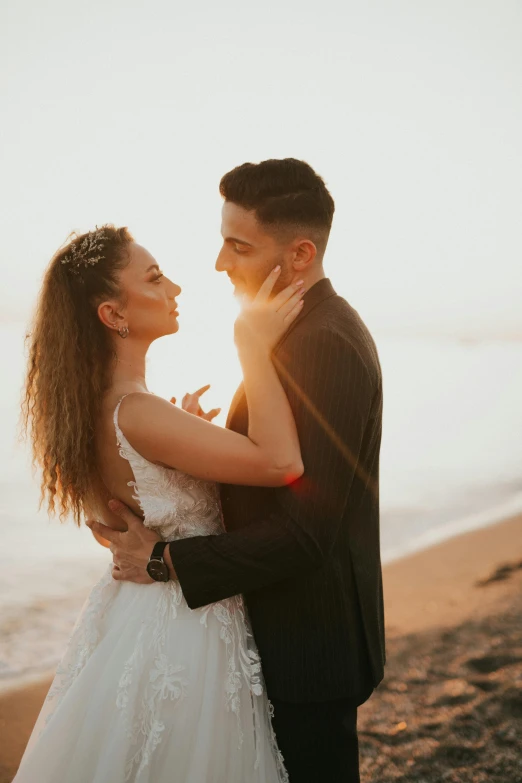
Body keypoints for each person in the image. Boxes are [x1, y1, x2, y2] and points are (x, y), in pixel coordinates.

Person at [91, 158, 386, 783]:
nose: (220, 264)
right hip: (277, 640)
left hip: (306, 648)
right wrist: (197, 443)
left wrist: (163, 562)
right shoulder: (287, 330)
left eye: (238, 245)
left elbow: (306, 530)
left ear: (300, 253)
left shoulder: (321, 343)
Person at [16, 223, 306, 782]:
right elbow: (279, 463)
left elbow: (129, 507)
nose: (175, 287)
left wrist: (186, 442)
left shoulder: (106, 407)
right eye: (154, 278)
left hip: (141, 610)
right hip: (183, 624)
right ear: (112, 314)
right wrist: (253, 348)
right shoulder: (138, 412)